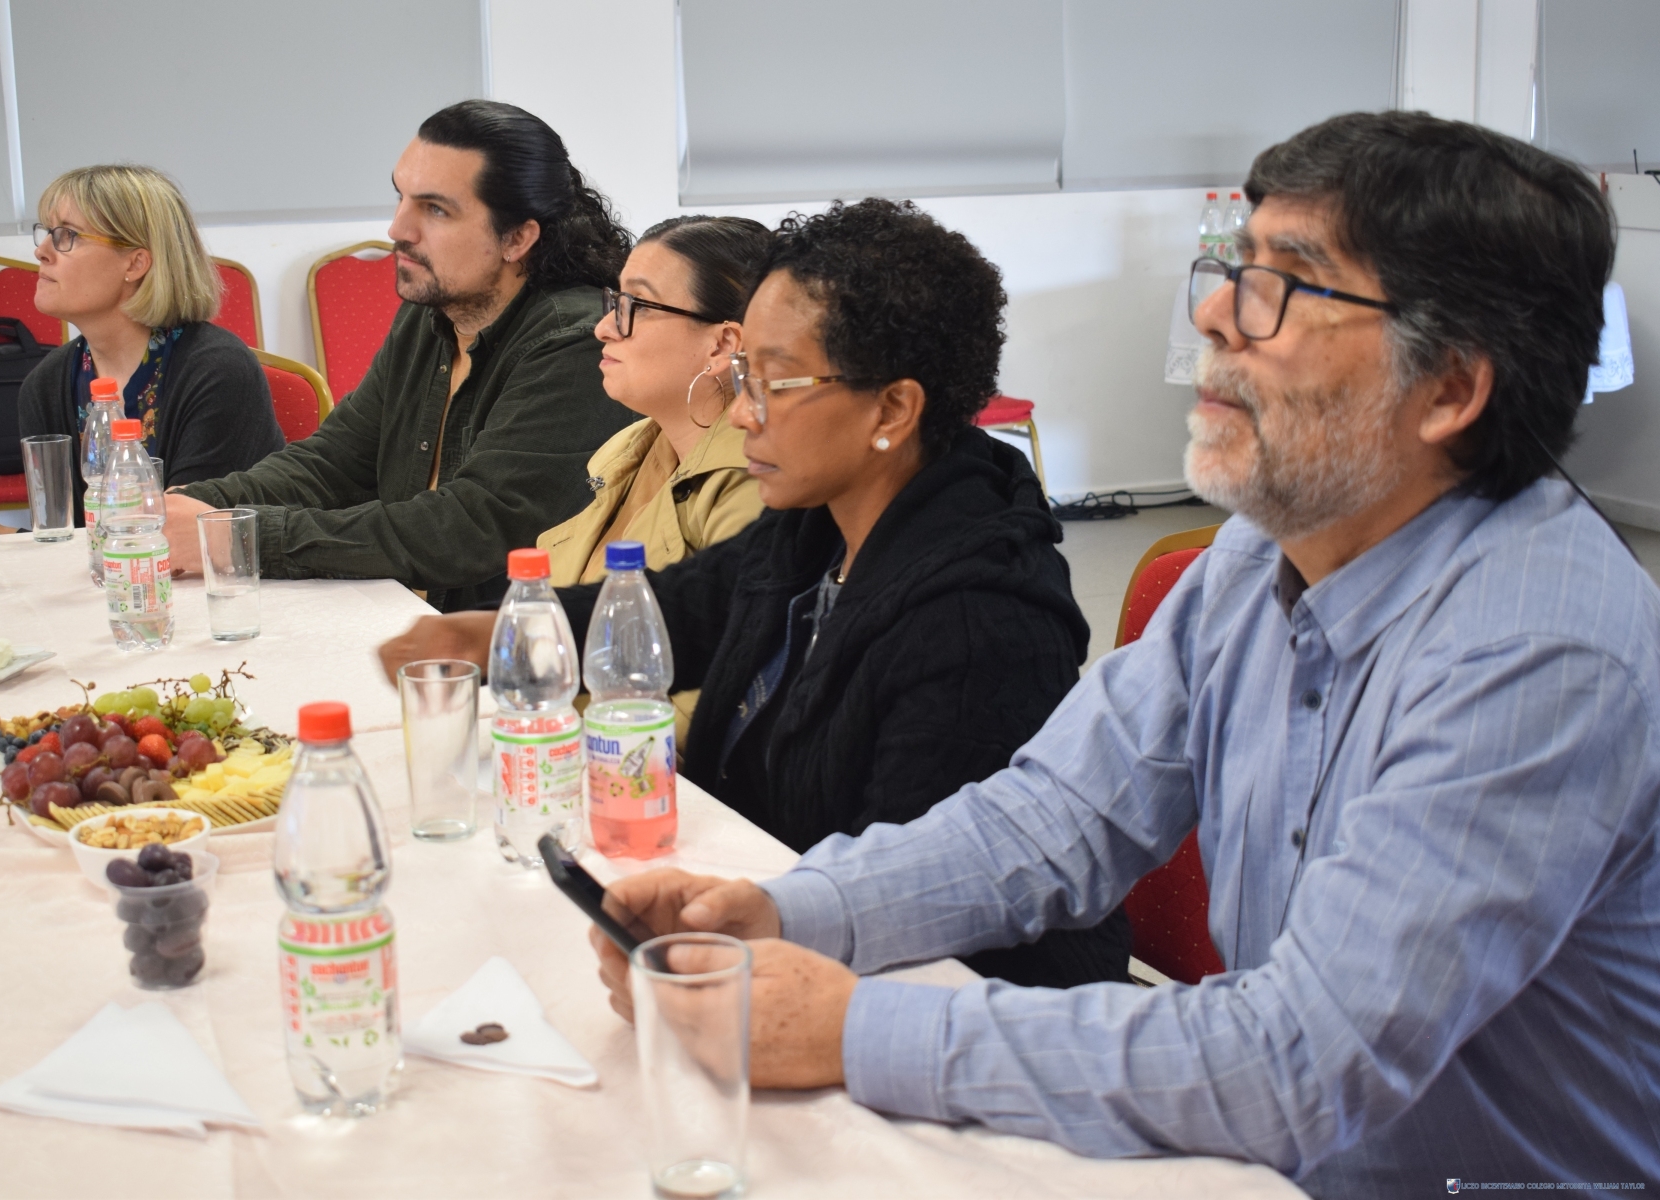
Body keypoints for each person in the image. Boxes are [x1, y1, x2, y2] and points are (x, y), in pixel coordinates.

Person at [584, 113, 1660, 1193]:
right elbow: (1054, 818)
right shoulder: (1259, 555)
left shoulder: (1537, 654)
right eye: (1233, 269)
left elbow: (1298, 1064)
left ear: (1451, 389)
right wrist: (788, 909)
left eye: (1286, 286)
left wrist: (854, 1029)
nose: (1214, 313)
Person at [381, 199, 1127, 990]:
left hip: (942, 1005)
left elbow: (917, 915)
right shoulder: (820, 521)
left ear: (892, 409)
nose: (741, 412)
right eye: (744, 377)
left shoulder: (979, 624)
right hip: (778, 928)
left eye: (773, 383)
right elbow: (688, 609)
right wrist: (497, 635)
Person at [165, 100, 638, 610]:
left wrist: (239, 538)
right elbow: (333, 463)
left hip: (504, 638)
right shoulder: (430, 315)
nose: (397, 229)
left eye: (435, 210)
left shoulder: (576, 340)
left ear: (517, 238)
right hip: (405, 614)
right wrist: (192, 508)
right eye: (402, 197)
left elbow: (469, 528)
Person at [15, 165, 283, 521]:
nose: (42, 251)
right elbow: (60, 536)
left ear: (136, 263)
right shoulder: (45, 384)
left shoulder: (218, 371)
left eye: (68, 235)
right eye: (47, 233)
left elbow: (192, 533)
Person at [537, 215, 770, 588]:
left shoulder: (757, 482)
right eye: (617, 301)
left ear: (722, 345)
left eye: (639, 306)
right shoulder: (628, 452)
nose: (603, 328)